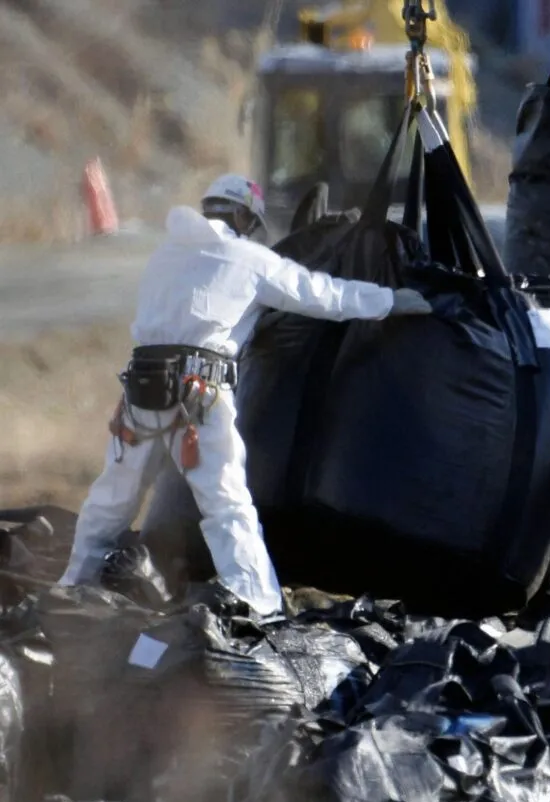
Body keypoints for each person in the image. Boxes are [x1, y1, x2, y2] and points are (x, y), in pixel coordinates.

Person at [60, 173, 432, 619]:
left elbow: (191, 314)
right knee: (226, 505)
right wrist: (390, 300)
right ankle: (258, 600)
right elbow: (325, 295)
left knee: (112, 498)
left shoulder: (165, 255)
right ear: (242, 215)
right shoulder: (248, 259)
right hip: (196, 398)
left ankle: (70, 585)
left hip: (140, 393)